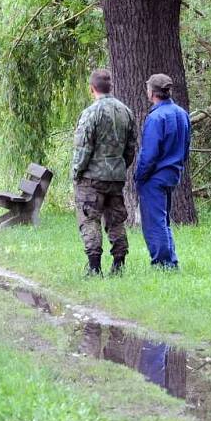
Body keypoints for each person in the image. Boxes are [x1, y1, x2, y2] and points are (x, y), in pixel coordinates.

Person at [72, 69, 137, 276]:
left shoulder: (91, 113)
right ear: (111, 87)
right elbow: (130, 148)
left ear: (92, 88)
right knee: (116, 220)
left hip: (91, 178)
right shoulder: (126, 111)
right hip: (116, 178)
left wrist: (77, 172)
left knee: (90, 219)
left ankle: (94, 267)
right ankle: (119, 265)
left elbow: (83, 148)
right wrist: (120, 167)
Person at [134, 73, 191, 269]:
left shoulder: (156, 117)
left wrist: (139, 177)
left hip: (154, 177)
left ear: (151, 92)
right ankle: (170, 260)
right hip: (173, 174)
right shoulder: (182, 113)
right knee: (163, 220)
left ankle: (163, 263)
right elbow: (186, 148)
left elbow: (149, 154)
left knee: (154, 223)